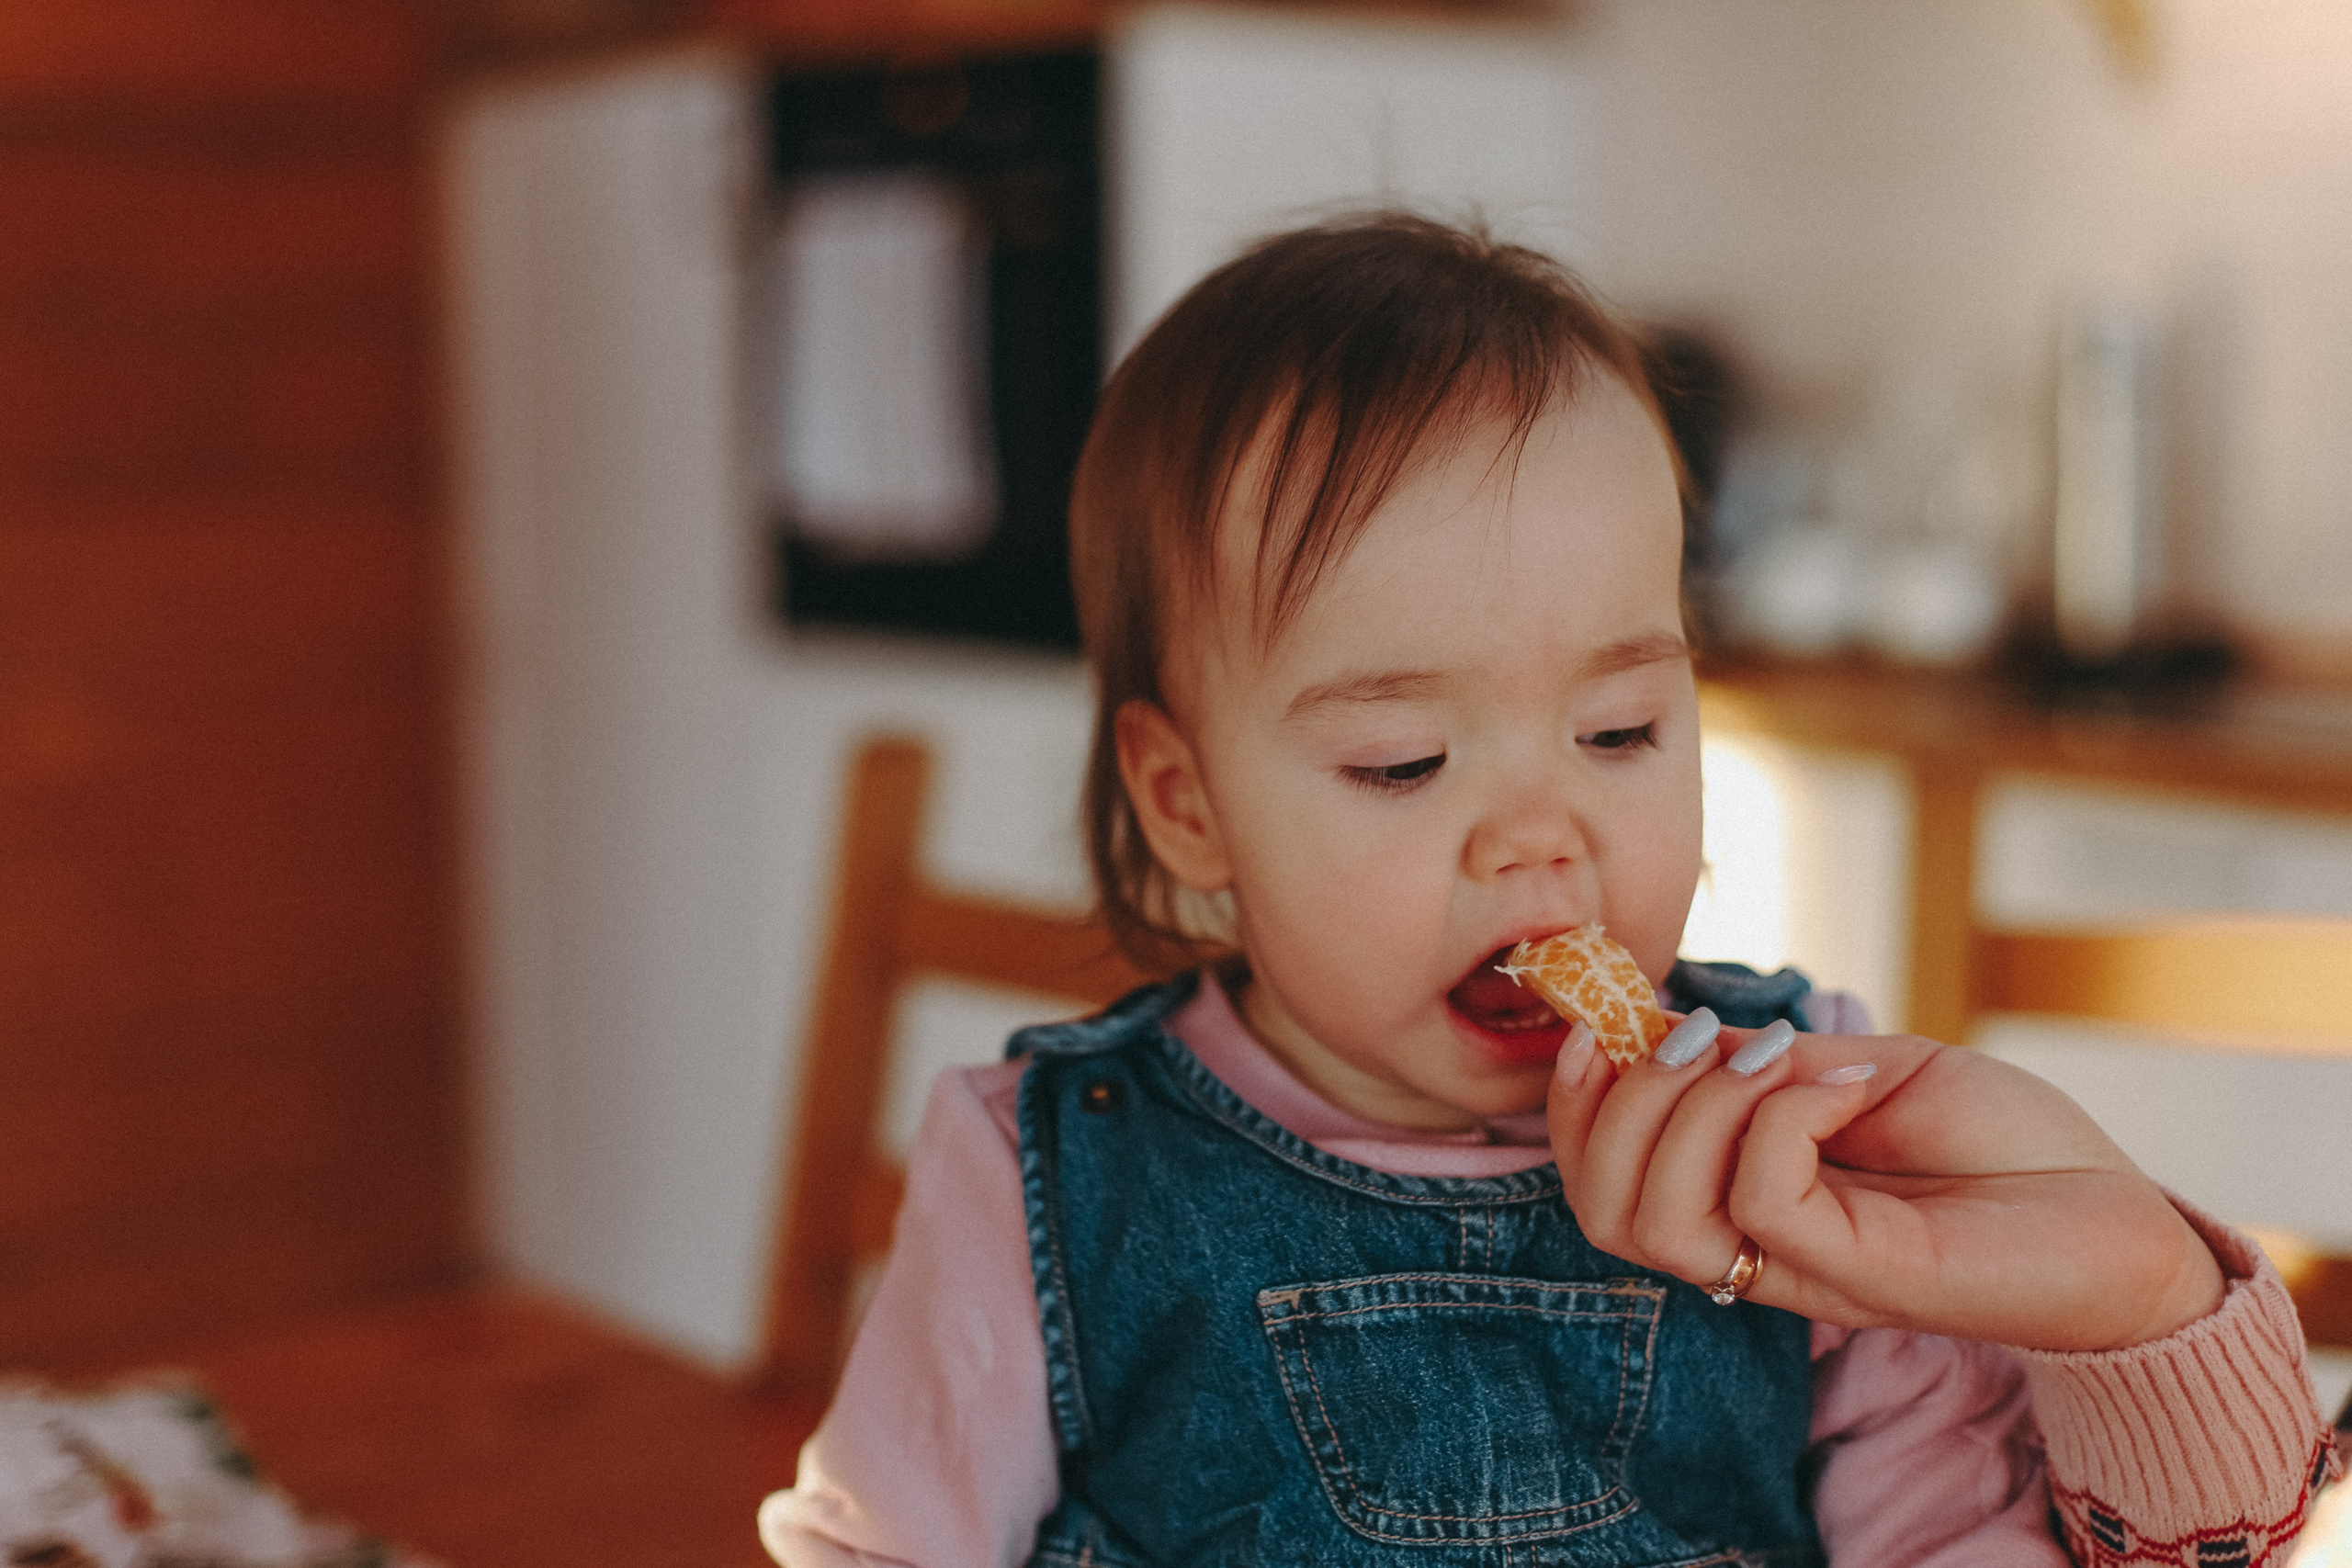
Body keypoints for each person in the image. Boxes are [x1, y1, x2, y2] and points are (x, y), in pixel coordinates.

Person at [762, 217, 2337, 1566]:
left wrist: (2135, 1303)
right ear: (1188, 807)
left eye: (1620, 731)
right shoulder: (1045, 1176)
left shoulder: (1807, 1133)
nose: (1542, 837)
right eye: (1401, 761)